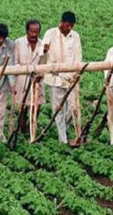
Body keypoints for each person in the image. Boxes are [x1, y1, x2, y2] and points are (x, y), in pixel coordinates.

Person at [42, 11, 83, 144]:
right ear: (62, 22)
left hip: (71, 78)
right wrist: (45, 49)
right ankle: (63, 140)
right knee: (58, 108)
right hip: (55, 78)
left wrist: (76, 74)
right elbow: (42, 50)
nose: (69, 28)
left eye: (72, 25)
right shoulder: (50, 33)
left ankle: (64, 127)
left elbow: (78, 56)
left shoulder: (75, 36)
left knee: (73, 109)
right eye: (67, 25)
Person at [11, 19, 45, 137]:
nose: (34, 35)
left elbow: (44, 64)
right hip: (22, 80)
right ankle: (23, 131)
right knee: (22, 107)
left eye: (36, 32)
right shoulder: (18, 43)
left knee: (36, 105)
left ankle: (32, 129)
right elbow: (14, 63)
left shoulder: (42, 45)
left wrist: (40, 76)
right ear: (27, 31)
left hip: (37, 81)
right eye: (31, 32)